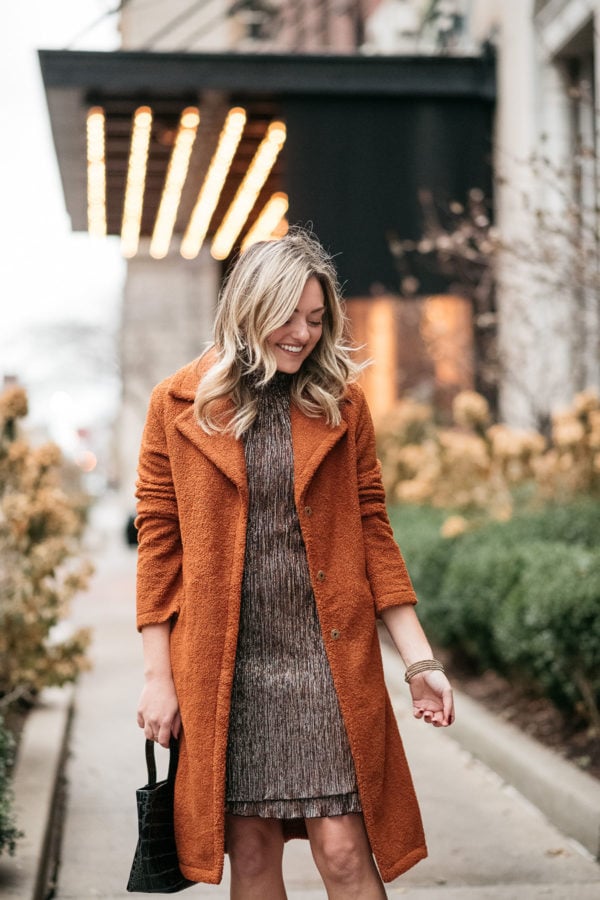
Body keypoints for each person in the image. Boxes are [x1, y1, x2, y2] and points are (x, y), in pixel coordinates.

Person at [135, 228, 454, 899]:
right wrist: (158, 679)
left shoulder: (342, 404)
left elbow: (373, 532)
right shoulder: (176, 406)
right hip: (227, 668)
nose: (304, 334)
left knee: (343, 850)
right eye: (289, 317)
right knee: (252, 855)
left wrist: (419, 662)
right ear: (248, 310)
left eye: (316, 319)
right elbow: (159, 547)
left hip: (327, 663)